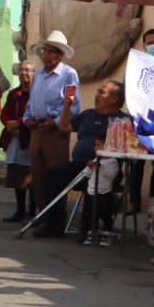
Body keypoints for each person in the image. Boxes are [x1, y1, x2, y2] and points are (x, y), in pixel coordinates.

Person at [23, 31, 82, 237]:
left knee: (54, 175)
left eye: (49, 51)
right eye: (44, 50)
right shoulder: (38, 74)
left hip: (55, 132)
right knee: (38, 175)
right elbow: (31, 102)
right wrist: (27, 118)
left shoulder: (69, 74)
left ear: (59, 55)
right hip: (37, 130)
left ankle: (56, 220)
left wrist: (55, 122)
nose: (44, 54)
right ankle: (43, 216)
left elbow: (74, 107)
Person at [60, 80, 128, 245]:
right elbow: (64, 127)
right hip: (79, 166)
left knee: (96, 186)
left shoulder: (123, 121)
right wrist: (67, 106)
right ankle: (52, 223)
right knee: (53, 174)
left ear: (113, 99)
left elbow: (126, 148)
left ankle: (91, 228)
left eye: (101, 91)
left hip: (105, 168)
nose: (96, 94)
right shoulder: (88, 114)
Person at [126, 28, 154, 209]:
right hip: (138, 121)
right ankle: (134, 203)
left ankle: (153, 203)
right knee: (136, 164)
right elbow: (127, 89)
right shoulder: (135, 66)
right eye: (149, 43)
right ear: (143, 45)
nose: (153, 46)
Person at [0, 62, 34, 223]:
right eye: (21, 70)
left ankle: (32, 212)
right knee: (16, 174)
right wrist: (9, 124)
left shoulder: (37, 93)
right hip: (14, 138)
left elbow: (34, 113)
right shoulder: (14, 93)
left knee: (31, 174)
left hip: (30, 137)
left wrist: (19, 123)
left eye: (27, 70)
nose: (23, 73)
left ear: (34, 73)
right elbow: (5, 112)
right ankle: (20, 210)